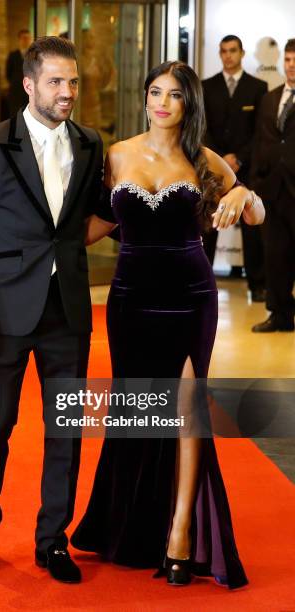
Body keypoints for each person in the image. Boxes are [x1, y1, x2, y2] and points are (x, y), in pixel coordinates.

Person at [71, 61, 264, 589]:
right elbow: (96, 225)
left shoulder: (203, 160)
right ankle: (132, 525)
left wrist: (243, 194)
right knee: (138, 410)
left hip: (190, 297)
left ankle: (180, 532)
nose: (161, 103)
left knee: (184, 406)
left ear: (188, 104)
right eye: (154, 91)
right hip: (130, 300)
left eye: (173, 95)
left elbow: (256, 214)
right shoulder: (116, 155)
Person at [0, 36, 103, 583]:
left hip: (68, 313)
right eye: (57, 82)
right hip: (1, 310)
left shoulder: (90, 143)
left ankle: (52, 539)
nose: (68, 92)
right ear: (29, 84)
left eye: (74, 82)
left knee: (64, 429)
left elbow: (93, 220)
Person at [202, 35, 267, 302]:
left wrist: (239, 158)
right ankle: (203, 280)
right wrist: (219, 160)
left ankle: (258, 284)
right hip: (213, 170)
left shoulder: (257, 86)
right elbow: (201, 128)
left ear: (242, 53)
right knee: (208, 224)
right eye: (223, 51)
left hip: (247, 167)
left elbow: (261, 131)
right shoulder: (207, 86)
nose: (228, 56)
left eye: (232, 51)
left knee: (252, 230)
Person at [251, 39, 295, 332]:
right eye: (289, 60)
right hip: (272, 190)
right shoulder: (270, 98)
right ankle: (279, 315)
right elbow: (261, 143)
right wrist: (256, 183)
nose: (291, 65)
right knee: (275, 255)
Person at [6, 29, 33, 116]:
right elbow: (8, 74)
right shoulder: (12, 55)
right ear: (19, 40)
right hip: (15, 92)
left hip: (29, 93)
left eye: (28, 38)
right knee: (15, 116)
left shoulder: (34, 56)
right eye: (23, 38)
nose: (26, 40)